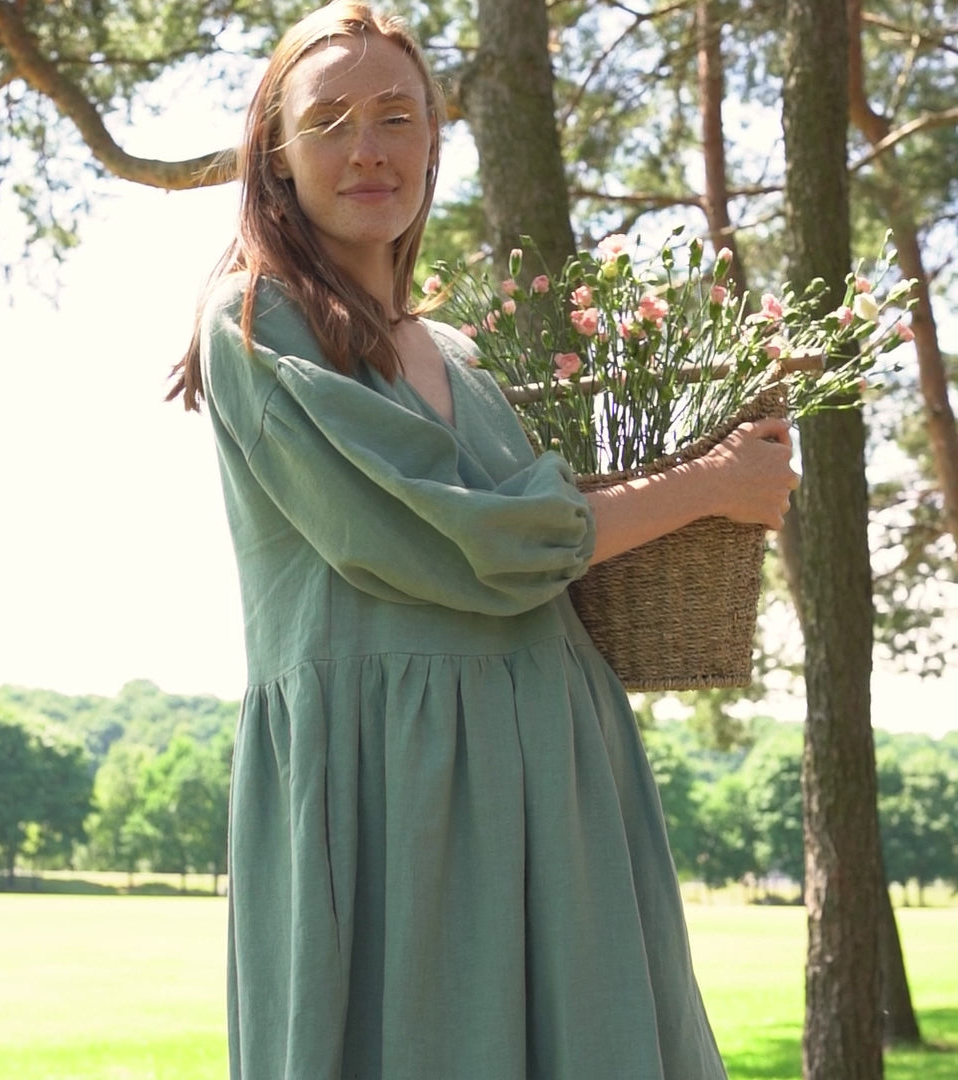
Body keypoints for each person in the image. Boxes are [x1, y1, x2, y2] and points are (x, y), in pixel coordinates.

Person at [168, 3, 798, 1077]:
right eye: (330, 120)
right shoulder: (255, 321)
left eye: (397, 116)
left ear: (432, 144)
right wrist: (709, 487)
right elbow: (473, 544)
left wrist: (731, 474)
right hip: (399, 779)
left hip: (560, 765)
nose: (368, 147)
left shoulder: (462, 355)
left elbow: (554, 550)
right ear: (274, 157)